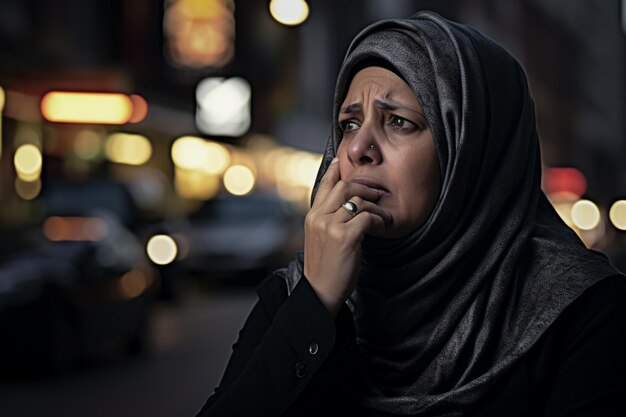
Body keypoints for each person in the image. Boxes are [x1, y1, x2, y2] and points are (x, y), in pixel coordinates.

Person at [195, 10, 626, 416]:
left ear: (469, 151)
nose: (359, 149)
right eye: (348, 124)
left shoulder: (584, 312)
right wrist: (316, 304)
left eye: (398, 122)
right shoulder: (296, 292)